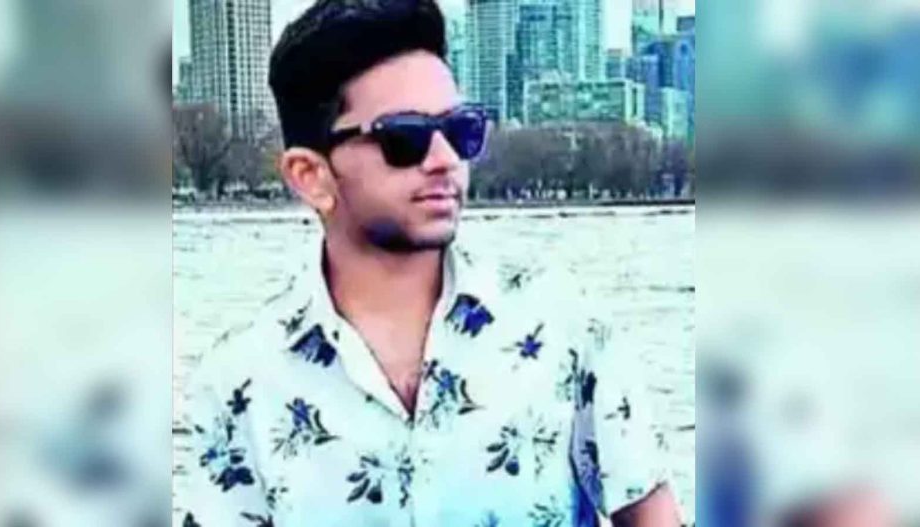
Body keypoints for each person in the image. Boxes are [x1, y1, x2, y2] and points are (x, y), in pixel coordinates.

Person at [176, 0, 682, 525]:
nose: (444, 160)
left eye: (461, 131)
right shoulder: (240, 382)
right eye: (404, 138)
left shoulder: (562, 326)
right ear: (311, 176)